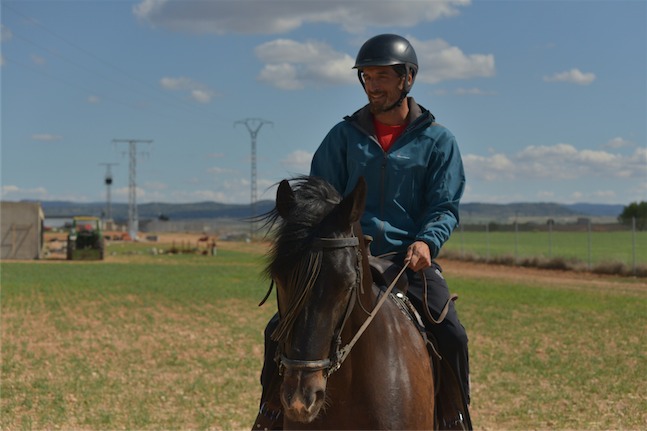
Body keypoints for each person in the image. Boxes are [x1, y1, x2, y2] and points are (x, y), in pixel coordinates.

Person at [253, 34, 471, 430]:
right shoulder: (342, 137)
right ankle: (269, 414)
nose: (373, 85)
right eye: (367, 76)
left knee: (451, 331)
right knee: (277, 330)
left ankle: (454, 417)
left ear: (408, 79)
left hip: (409, 260)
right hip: (346, 255)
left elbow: (443, 206)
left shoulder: (438, 141)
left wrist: (427, 241)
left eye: (383, 76)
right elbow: (320, 198)